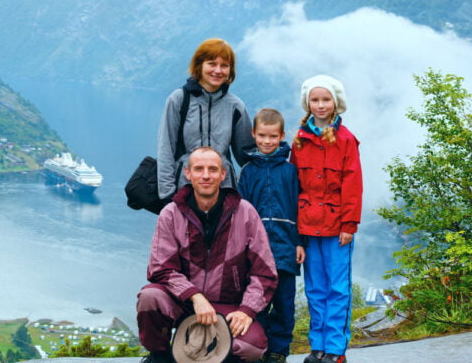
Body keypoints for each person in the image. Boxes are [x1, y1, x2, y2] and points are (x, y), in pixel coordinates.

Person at [136, 146, 278, 363]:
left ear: (223, 174)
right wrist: (195, 296)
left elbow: (264, 273)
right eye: (199, 169)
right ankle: (160, 356)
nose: (205, 175)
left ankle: (205, 354)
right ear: (188, 173)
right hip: (182, 303)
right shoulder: (171, 213)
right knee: (150, 297)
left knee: (252, 348)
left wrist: (246, 310)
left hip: (228, 306)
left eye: (212, 169)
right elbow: (161, 268)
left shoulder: (245, 212)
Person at [290, 75, 363, 363]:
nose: (320, 105)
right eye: (315, 100)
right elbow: (293, 186)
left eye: (326, 99)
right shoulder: (299, 139)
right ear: (307, 102)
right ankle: (317, 347)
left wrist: (349, 224)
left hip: (337, 229)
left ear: (336, 103)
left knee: (337, 288)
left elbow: (353, 185)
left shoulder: (346, 140)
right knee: (315, 289)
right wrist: (296, 232)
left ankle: (335, 350)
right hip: (308, 226)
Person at [237, 108, 305, 363]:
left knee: (285, 304)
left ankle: (279, 351)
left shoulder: (290, 171)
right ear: (254, 134)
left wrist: (300, 242)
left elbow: (299, 209)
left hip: (286, 249)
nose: (267, 141)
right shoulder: (248, 171)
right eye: (262, 136)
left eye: (272, 136)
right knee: (258, 302)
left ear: (281, 136)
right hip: (255, 252)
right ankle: (260, 347)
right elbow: (241, 213)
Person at [156, 38, 255, 204]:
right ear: (199, 65)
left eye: (224, 65)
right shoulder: (179, 100)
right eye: (211, 63)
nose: (218, 70)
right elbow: (166, 148)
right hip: (184, 190)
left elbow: (247, 155)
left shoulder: (235, 106)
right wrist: (167, 195)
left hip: (224, 192)